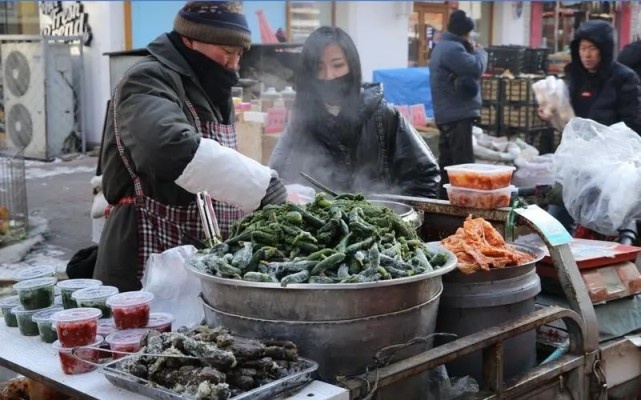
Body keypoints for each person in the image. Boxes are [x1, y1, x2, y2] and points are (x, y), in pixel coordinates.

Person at [94, 1, 288, 292]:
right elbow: (168, 148)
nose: (233, 64)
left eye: (238, 54)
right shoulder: (147, 79)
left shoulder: (208, 87)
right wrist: (262, 185)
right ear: (190, 39)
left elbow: (216, 166)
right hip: (145, 254)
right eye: (225, 52)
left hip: (193, 253)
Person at [269, 26, 440, 198]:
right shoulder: (302, 121)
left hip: (375, 223)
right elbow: (275, 179)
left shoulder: (383, 116)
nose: (329, 76)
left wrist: (402, 216)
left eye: (338, 65)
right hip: (319, 223)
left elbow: (425, 175)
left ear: (353, 66)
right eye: (319, 68)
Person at [542, 20, 641, 236]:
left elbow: (633, 124)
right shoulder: (574, 75)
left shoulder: (624, 78)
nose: (586, 54)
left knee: (605, 228)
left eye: (592, 48)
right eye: (582, 48)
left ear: (604, 50)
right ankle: (556, 263)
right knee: (555, 219)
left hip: (608, 170)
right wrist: (551, 112)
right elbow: (566, 113)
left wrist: (604, 142)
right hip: (575, 164)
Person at [428, 10, 487, 199]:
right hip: (457, 114)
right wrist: (480, 52)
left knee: (448, 165)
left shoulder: (442, 46)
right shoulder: (452, 49)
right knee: (464, 166)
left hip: (447, 113)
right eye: (468, 34)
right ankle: (465, 206)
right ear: (463, 33)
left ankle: (445, 204)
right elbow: (476, 67)